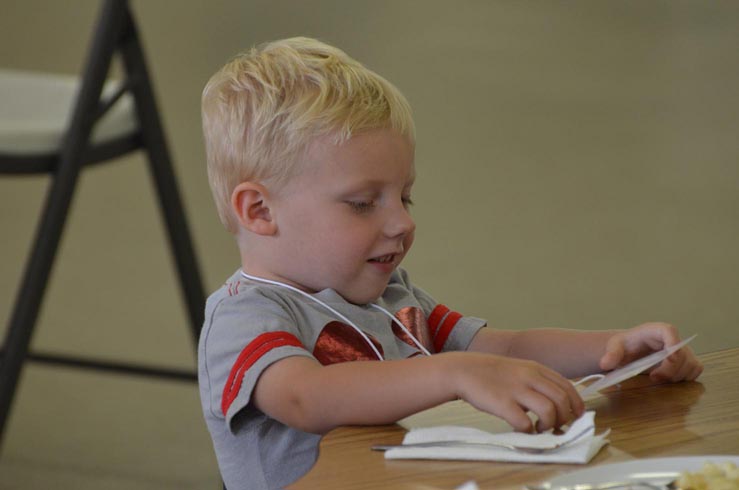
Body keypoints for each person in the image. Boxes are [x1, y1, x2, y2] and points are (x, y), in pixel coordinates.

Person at [198, 37, 703, 490]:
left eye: (406, 198)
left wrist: (612, 350)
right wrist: (453, 373)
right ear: (260, 211)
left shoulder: (392, 296)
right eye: (362, 203)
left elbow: (502, 347)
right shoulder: (245, 318)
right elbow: (306, 398)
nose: (401, 223)